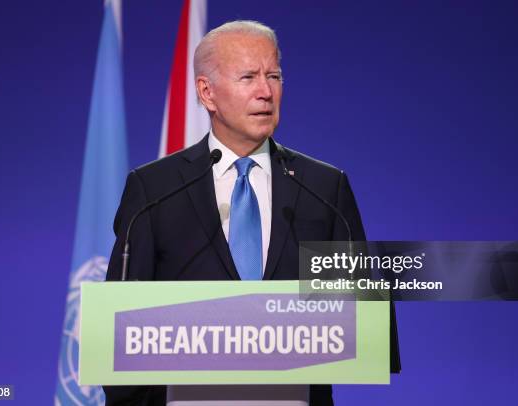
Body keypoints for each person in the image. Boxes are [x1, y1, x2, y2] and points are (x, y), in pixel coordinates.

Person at [104, 20, 399, 406]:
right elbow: (119, 335)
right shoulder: (155, 191)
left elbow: (361, 323)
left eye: (273, 76)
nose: (265, 92)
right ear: (206, 92)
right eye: (248, 77)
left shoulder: (323, 188)